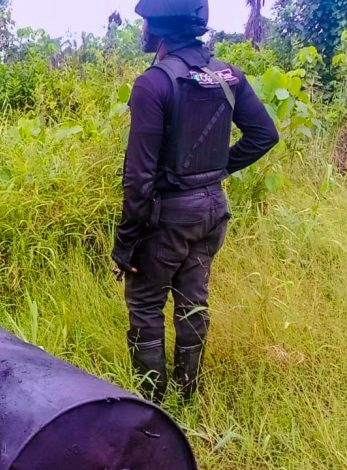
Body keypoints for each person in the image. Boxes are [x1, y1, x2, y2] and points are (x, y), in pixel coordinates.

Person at [112, 0, 280, 402]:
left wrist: (125, 245)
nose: (143, 30)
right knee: (193, 301)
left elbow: (139, 178)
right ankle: (187, 397)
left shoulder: (153, 83)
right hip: (211, 211)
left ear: (160, 28)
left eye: (146, 22)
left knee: (145, 304)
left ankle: (153, 407)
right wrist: (218, 170)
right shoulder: (227, 74)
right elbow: (264, 135)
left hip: (168, 217)